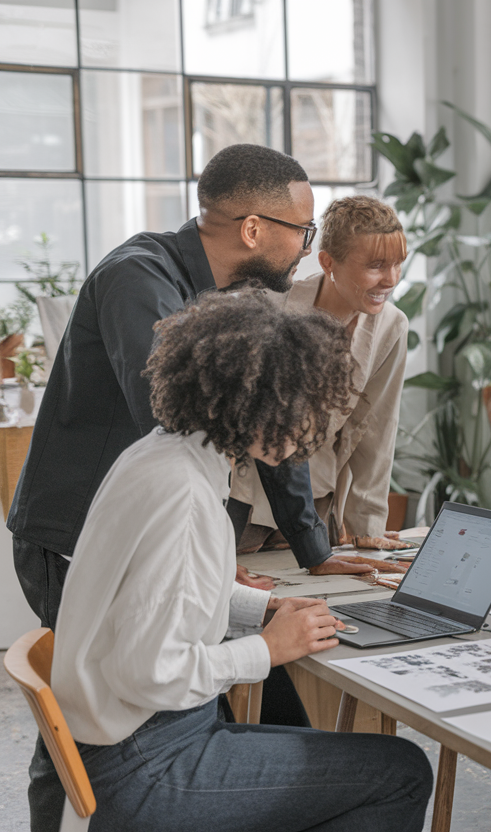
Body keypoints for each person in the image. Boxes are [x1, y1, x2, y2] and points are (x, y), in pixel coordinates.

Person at [31, 293, 433, 832]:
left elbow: (156, 596)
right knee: (401, 770)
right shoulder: (188, 499)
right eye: (308, 407)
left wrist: (261, 609)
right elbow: (149, 674)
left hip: (119, 741)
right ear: (264, 404)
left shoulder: (160, 453)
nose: (314, 428)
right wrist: (266, 650)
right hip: (146, 764)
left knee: (332, 749)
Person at [8, 143, 369, 632]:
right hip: (78, 536)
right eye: (304, 231)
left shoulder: (238, 293)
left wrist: (313, 549)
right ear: (253, 229)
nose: (307, 249)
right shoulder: (137, 277)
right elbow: (172, 426)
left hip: (149, 535)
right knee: (141, 698)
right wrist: (207, 553)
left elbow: (270, 417)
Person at [229, 195, 412, 554]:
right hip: (244, 503)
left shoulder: (392, 326)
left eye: (398, 264)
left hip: (318, 505)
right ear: (328, 262)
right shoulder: (268, 305)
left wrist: (366, 525)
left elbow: (376, 430)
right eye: (376, 265)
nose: (390, 280)